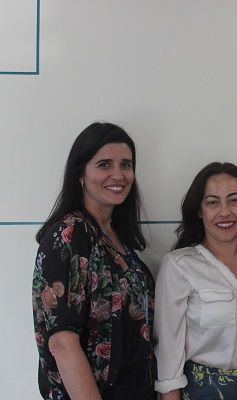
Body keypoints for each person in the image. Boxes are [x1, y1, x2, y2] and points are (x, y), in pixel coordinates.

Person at [32, 122, 156, 400]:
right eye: (104, 164)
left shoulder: (117, 239)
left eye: (126, 165)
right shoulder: (68, 235)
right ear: (80, 173)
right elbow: (62, 343)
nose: (118, 174)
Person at [154, 162, 237, 400]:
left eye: (234, 200)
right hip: (202, 393)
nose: (225, 212)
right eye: (213, 202)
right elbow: (168, 352)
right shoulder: (179, 265)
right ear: (199, 210)